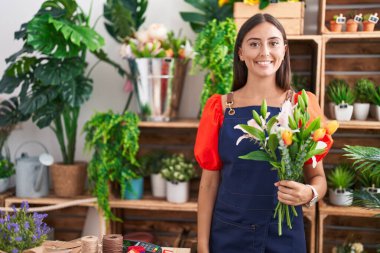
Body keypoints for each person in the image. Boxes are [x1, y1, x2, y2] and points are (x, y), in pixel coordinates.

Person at [194, 13, 333, 253]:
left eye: (273, 42)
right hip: (228, 234)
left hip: (285, 235)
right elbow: (208, 184)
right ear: (241, 52)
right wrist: (203, 246)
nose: (264, 52)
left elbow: (318, 179)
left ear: (284, 50)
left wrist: (308, 193)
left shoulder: (303, 105)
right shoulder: (219, 108)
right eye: (254, 43)